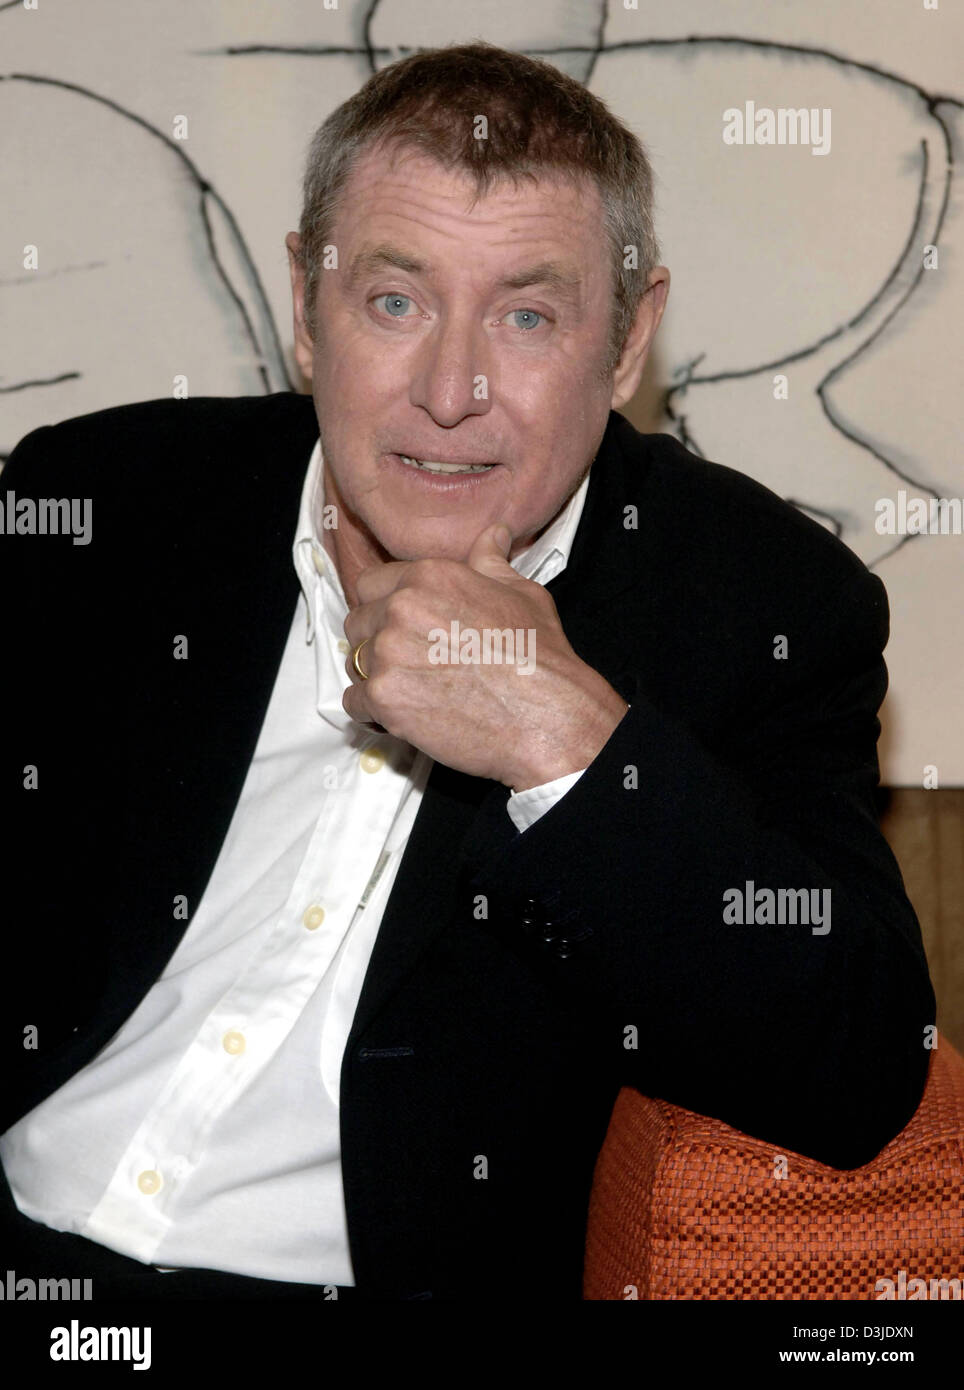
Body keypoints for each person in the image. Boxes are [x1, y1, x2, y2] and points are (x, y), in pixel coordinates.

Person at [0, 42, 935, 1302]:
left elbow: (858, 1066)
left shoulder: (758, 604)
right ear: (306, 306)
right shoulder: (104, 503)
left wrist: (567, 745)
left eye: (527, 316)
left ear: (628, 341)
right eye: (395, 302)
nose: (450, 393)